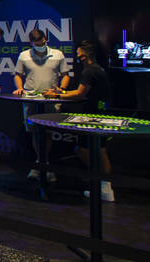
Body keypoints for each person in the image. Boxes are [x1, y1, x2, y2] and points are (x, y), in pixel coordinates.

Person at [44, 41, 114, 201]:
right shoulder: (96, 69)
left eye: (79, 52)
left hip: (95, 117)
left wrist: (56, 95)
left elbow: (80, 94)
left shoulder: (90, 71)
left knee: (92, 151)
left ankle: (103, 185)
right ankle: (103, 185)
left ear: (85, 53)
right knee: (96, 150)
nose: (76, 54)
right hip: (99, 114)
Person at [14, 28, 72, 180]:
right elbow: (18, 75)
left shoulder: (57, 54)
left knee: (48, 132)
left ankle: (45, 164)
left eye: (41, 42)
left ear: (45, 40)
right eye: (36, 43)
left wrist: (62, 89)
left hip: (51, 99)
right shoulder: (24, 55)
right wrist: (19, 88)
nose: (39, 45)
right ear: (31, 43)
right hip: (31, 99)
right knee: (34, 132)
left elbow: (65, 75)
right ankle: (39, 163)